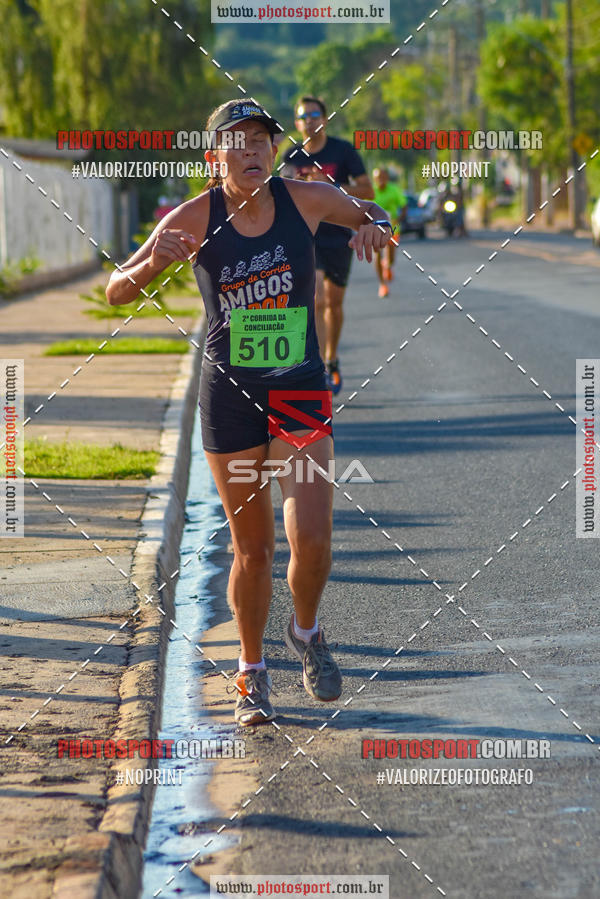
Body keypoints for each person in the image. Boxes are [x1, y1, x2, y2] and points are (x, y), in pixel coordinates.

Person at [105, 99, 393, 727]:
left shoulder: (305, 198)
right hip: (230, 398)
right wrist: (156, 260)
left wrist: (375, 225)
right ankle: (251, 671)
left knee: (313, 540)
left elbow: (372, 209)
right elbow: (115, 289)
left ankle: (307, 631)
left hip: (299, 390)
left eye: (261, 139)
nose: (253, 150)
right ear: (215, 156)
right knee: (253, 551)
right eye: (237, 141)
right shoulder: (193, 216)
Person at [281, 96, 374, 395]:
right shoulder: (291, 155)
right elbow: (277, 192)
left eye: (314, 114)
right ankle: (318, 366)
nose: (309, 120)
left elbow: (367, 189)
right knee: (317, 298)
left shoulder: (342, 150)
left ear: (325, 118)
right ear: (296, 123)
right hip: (306, 236)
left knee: (334, 304)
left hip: (339, 235)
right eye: (303, 116)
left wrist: (331, 185)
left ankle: (332, 358)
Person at [371, 167, 405, 297]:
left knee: (391, 258)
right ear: (374, 179)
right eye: (378, 178)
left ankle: (388, 266)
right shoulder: (371, 192)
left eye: (383, 177)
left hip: (393, 228)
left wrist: (399, 219)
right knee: (377, 255)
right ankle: (382, 285)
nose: (381, 180)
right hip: (375, 228)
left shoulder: (394, 190)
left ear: (387, 178)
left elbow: (404, 206)